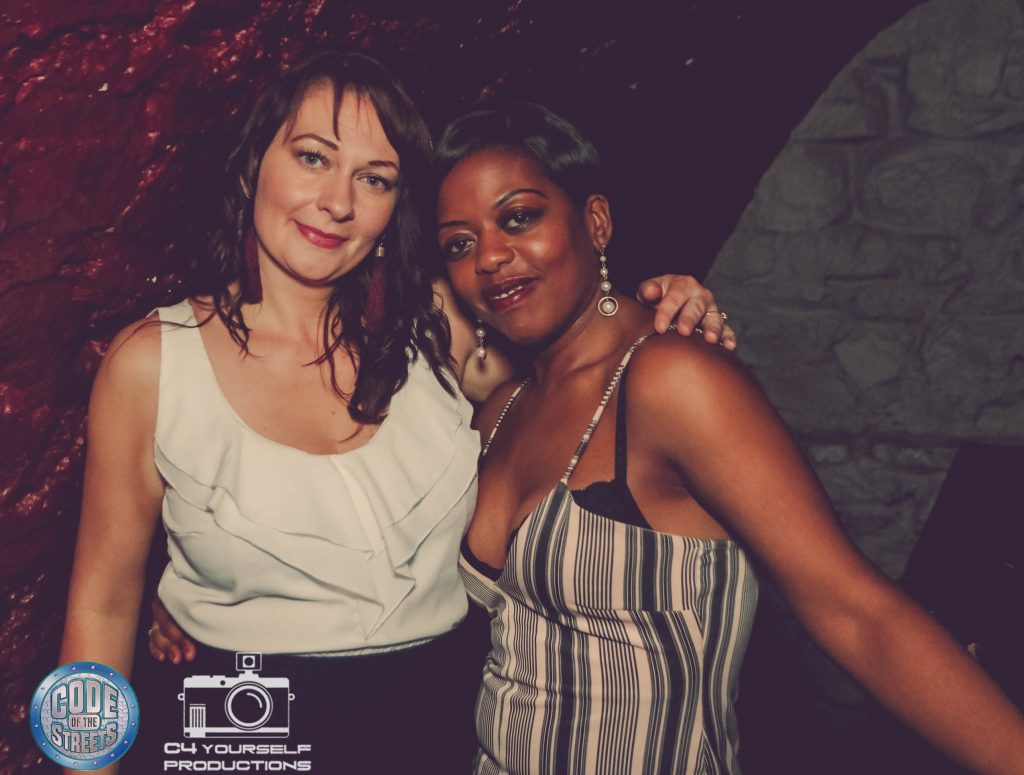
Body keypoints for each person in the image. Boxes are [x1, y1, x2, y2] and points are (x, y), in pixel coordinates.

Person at [59, 52, 732, 773]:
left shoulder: (439, 329)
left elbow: (588, 372)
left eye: (374, 178)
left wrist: (660, 308)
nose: (337, 201)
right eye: (313, 157)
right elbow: (101, 608)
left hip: (439, 740)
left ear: (394, 209)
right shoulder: (154, 362)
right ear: (254, 165)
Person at [428, 103, 1024, 774]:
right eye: (459, 243)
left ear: (595, 222)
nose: (491, 257)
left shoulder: (671, 379)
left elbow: (855, 609)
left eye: (518, 218)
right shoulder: (499, 412)